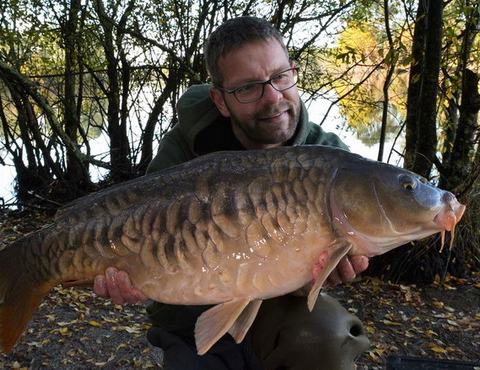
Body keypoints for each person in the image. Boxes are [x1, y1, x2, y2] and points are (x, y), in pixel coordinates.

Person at [93, 16, 370, 369]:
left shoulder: (332, 160)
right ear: (221, 101)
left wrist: (312, 279)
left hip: (282, 310)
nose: (272, 97)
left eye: (280, 77)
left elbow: (328, 267)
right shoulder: (184, 148)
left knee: (325, 332)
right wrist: (132, 277)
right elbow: (136, 237)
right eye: (248, 88)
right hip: (188, 310)